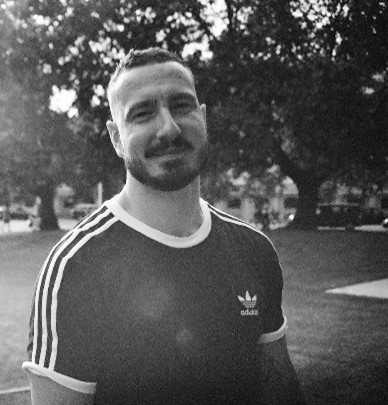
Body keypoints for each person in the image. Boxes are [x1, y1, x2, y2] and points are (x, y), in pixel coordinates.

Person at [23, 47, 306, 404]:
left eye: (181, 105)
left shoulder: (254, 250)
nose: (169, 127)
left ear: (202, 117)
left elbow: (280, 391)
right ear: (115, 137)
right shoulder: (74, 268)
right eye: (142, 113)